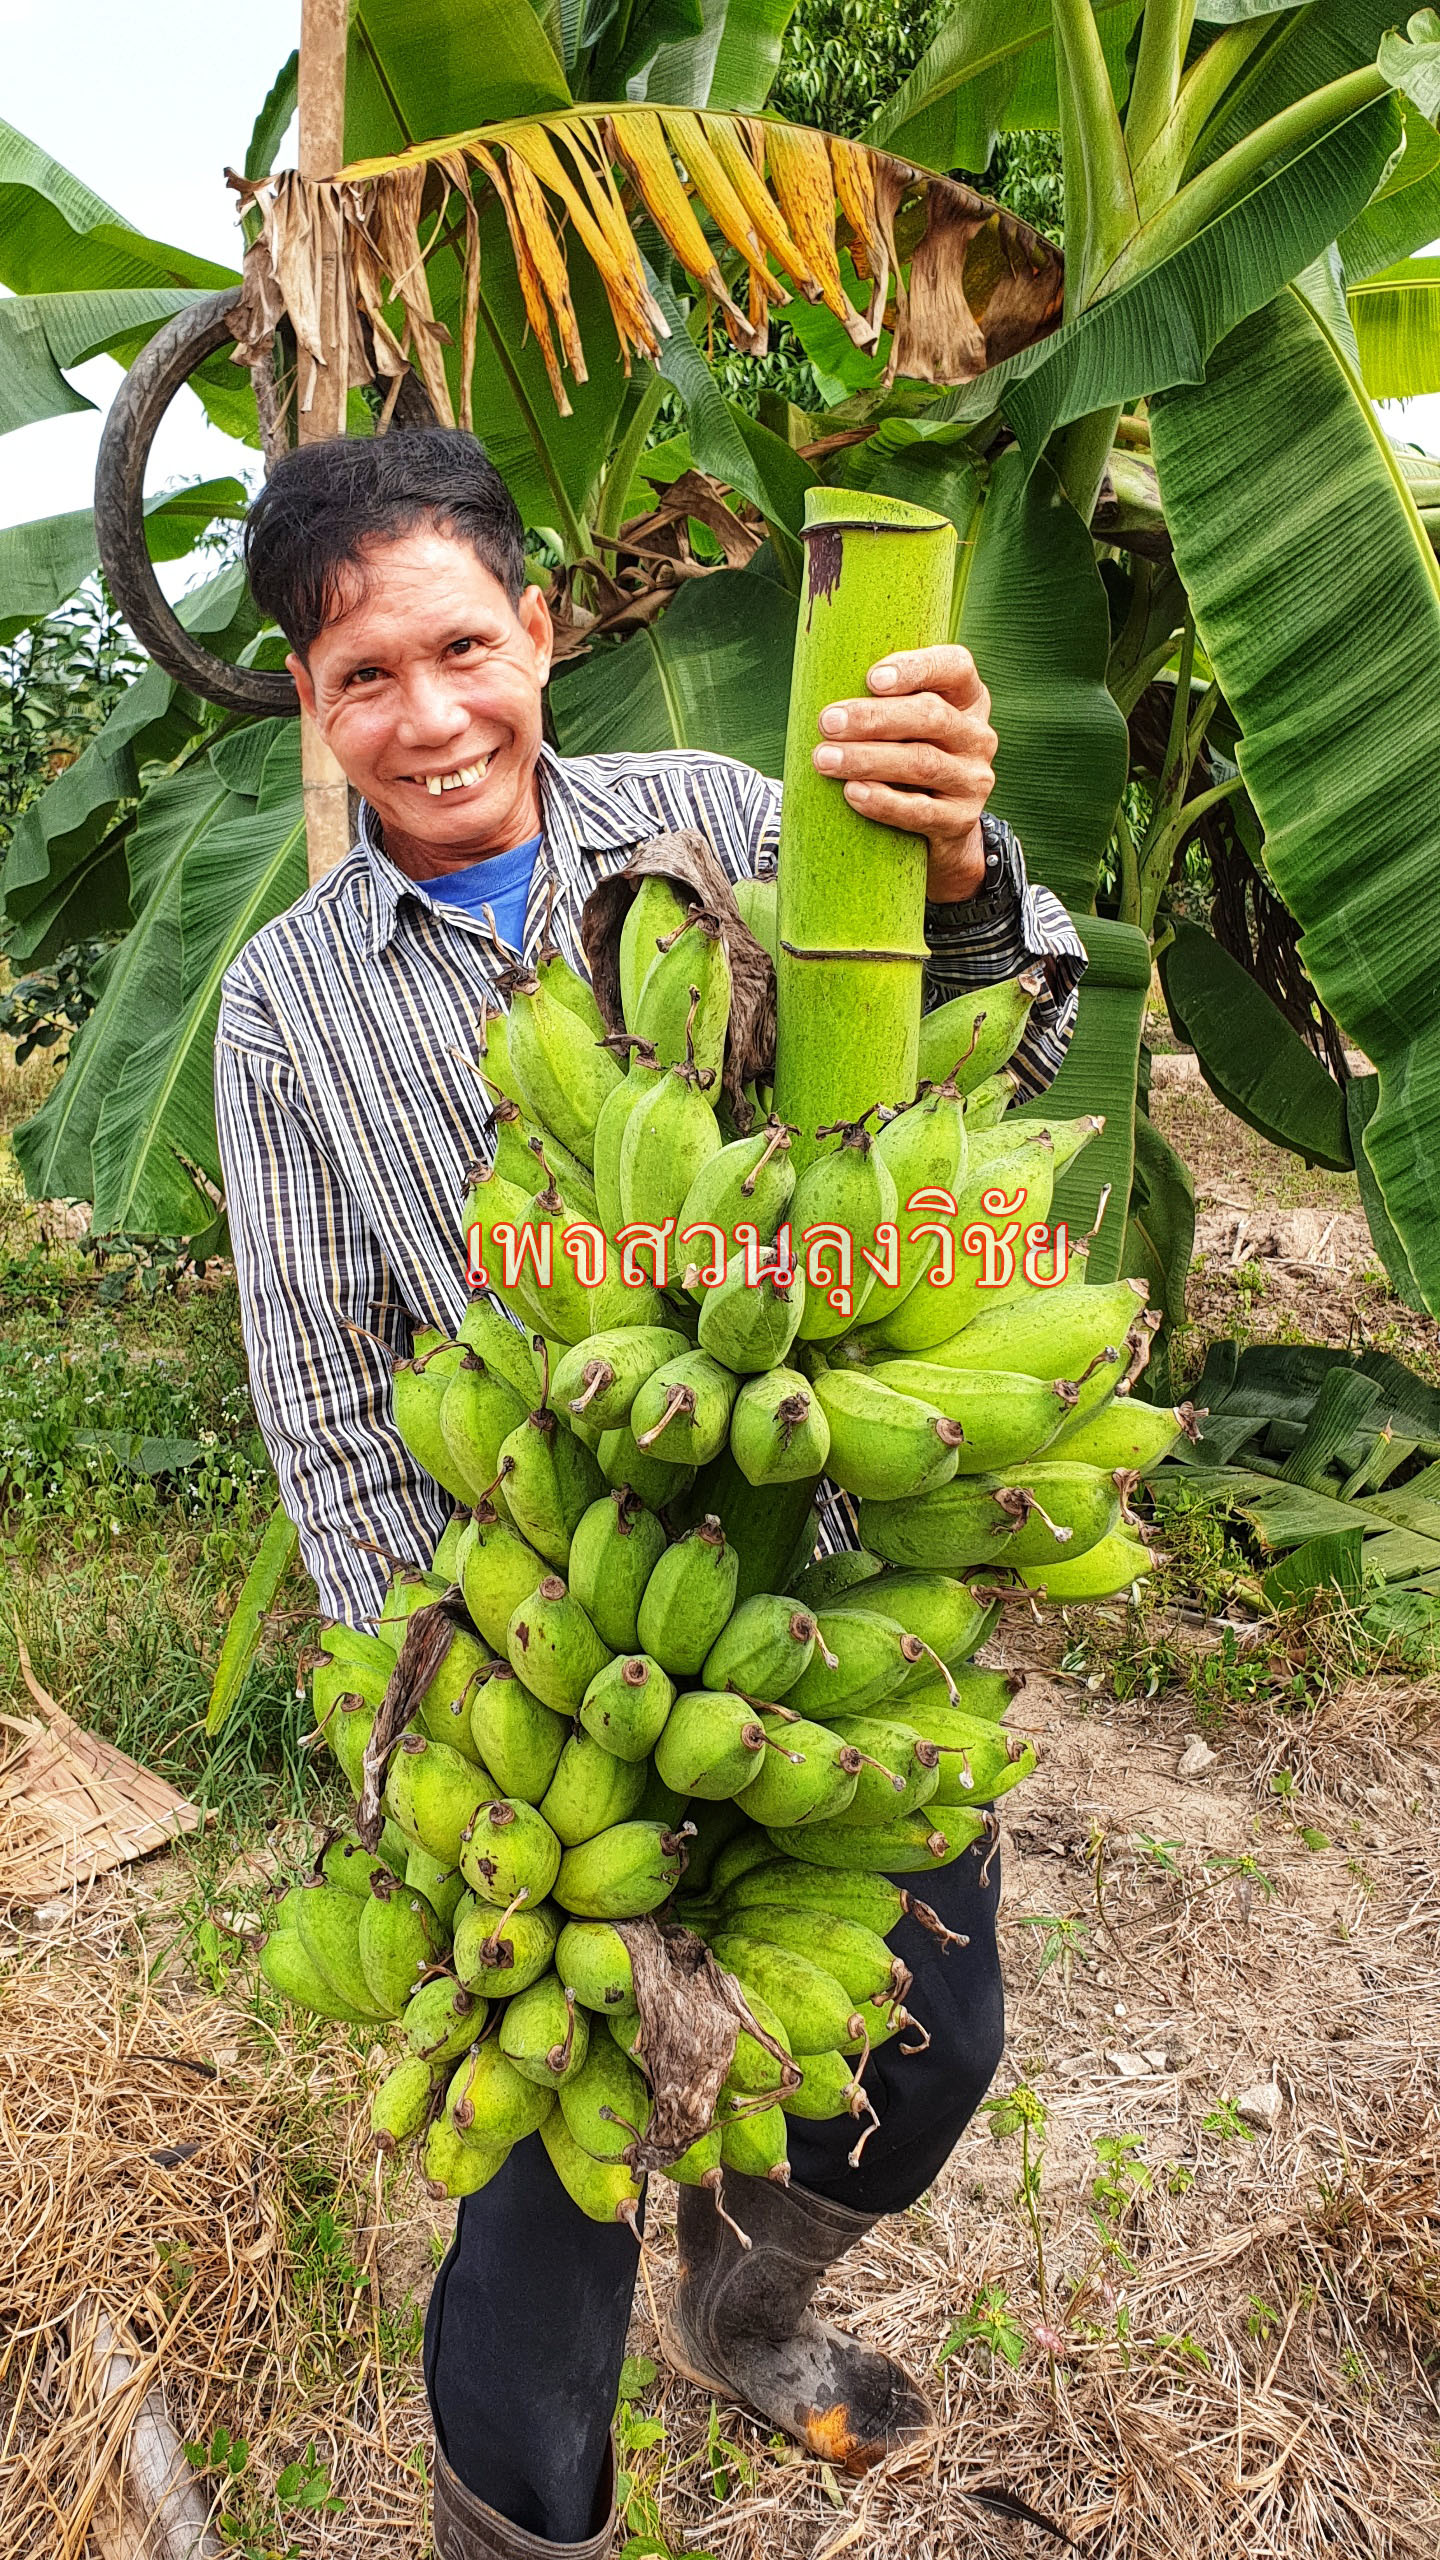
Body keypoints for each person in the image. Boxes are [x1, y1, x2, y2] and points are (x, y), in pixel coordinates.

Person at [215, 428, 1086, 2560]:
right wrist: (440, 1711)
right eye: (360, 680)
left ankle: (752, 2288)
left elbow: (1013, 1039)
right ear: (313, 714)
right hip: (539, 1650)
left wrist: (958, 874)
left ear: (536, 629)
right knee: (550, 2196)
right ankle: (521, 2520)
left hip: (823, 1566)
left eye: (455, 648)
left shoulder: (718, 821)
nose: (426, 718)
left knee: (935, 2037)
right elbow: (330, 1398)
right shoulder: (283, 1008)